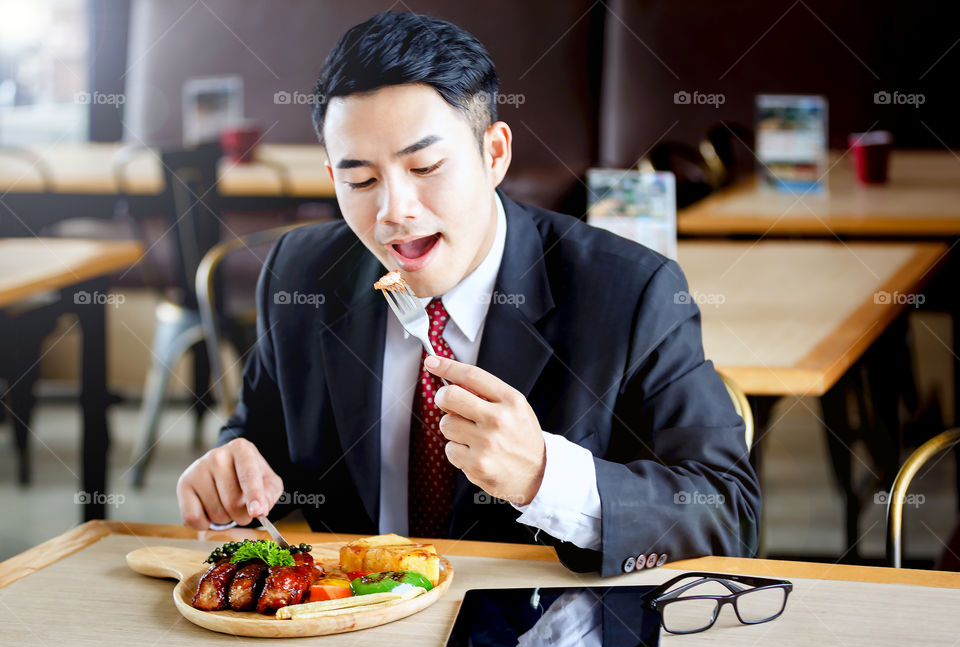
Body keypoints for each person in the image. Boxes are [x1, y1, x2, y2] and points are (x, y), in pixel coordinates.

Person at [176, 11, 761, 576]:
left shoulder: (630, 291)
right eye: (360, 180)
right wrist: (232, 474)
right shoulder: (299, 275)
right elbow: (264, 442)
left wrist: (544, 477)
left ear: (494, 153)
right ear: (333, 179)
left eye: (426, 166)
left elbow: (727, 511)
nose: (394, 212)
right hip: (354, 637)